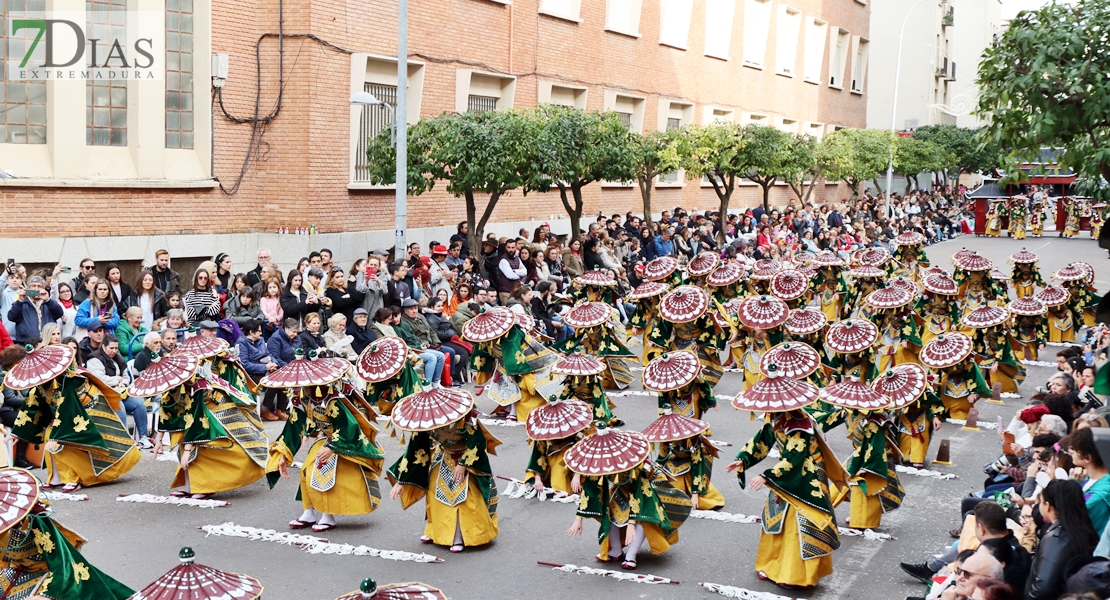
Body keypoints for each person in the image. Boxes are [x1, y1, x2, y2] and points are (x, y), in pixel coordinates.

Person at [387, 402, 501, 553]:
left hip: (466, 459)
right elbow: (416, 450)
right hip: (443, 456)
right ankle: (434, 530)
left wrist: (463, 464)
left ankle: (460, 535)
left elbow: (477, 442)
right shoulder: (423, 421)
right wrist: (402, 481)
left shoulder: (465, 414)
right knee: (434, 493)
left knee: (463, 497)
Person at [1026, 479, 1100, 600]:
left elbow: (1042, 589)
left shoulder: (1056, 540)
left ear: (1048, 506)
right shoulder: (1083, 528)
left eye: (1041, 502)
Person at [394, 301, 445, 385]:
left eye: (416, 308)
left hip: (424, 344)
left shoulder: (420, 316)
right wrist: (424, 345)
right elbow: (414, 337)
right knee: (432, 357)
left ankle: (436, 383)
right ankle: (426, 384)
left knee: (441, 355)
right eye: (411, 309)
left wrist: (436, 342)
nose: (414, 311)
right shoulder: (404, 321)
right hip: (415, 348)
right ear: (405, 311)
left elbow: (430, 330)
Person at [6, 275, 64, 345]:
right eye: (33, 286)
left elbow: (59, 313)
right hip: (26, 344)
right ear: (28, 288)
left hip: (47, 344)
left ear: (44, 288)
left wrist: (48, 300)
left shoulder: (48, 302)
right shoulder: (22, 303)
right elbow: (11, 317)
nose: (36, 288)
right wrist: (20, 300)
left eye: (39, 286)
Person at [424, 297, 469, 385]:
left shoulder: (438, 315)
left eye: (442, 305)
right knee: (463, 352)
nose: (441, 307)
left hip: (448, 339)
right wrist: (450, 333)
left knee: (466, 349)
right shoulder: (431, 318)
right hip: (441, 341)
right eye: (438, 306)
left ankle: (456, 374)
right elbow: (435, 333)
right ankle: (454, 374)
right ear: (432, 307)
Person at [263, 318, 300, 421]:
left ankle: (288, 408)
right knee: (282, 379)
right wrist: (289, 368)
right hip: (279, 366)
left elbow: (301, 353)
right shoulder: (275, 339)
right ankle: (274, 408)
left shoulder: (297, 338)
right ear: (286, 328)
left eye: (297, 332)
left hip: (294, 365)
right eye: (294, 332)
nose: (296, 334)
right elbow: (275, 357)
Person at [496, 239, 527, 306]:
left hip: (516, 291)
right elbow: (510, 276)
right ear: (506, 247)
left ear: (516, 247)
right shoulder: (503, 260)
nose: (511, 250)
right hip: (506, 291)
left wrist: (514, 271)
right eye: (508, 247)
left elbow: (525, 272)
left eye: (513, 247)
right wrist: (520, 274)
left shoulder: (517, 258)